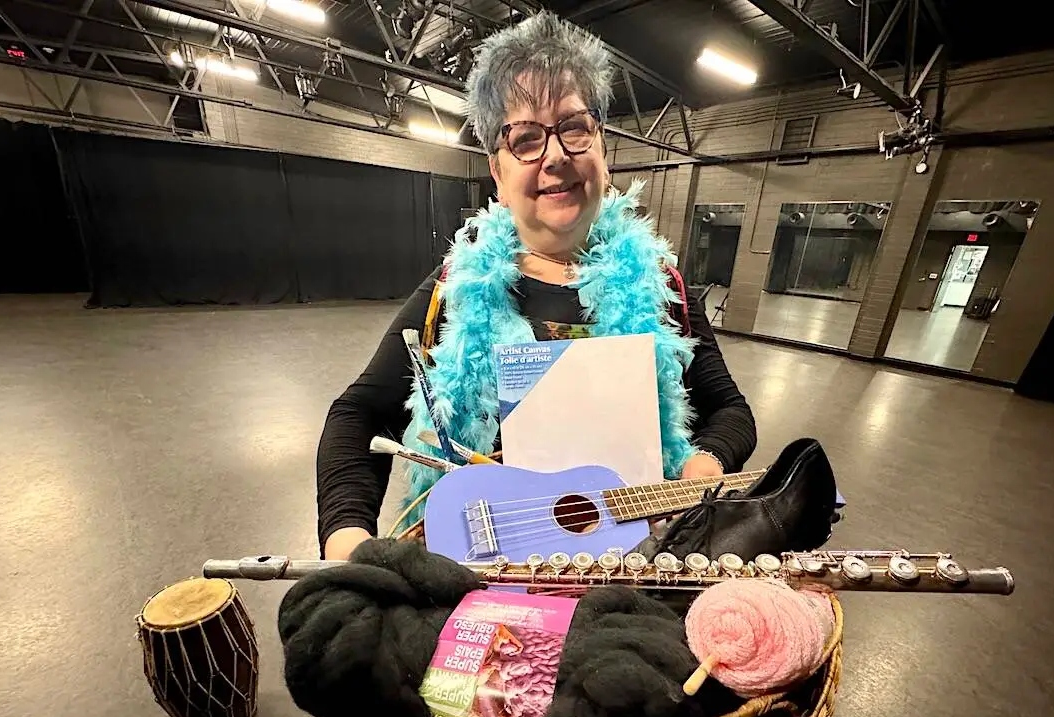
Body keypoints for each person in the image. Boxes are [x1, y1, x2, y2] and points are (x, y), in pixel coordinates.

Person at [316, 11, 757, 561]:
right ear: (497, 173)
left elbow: (731, 413)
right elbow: (357, 415)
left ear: (602, 149)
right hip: (489, 567)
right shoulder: (454, 289)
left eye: (574, 128)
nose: (555, 156)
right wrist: (347, 540)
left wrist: (703, 466)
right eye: (525, 138)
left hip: (639, 561)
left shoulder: (662, 284)